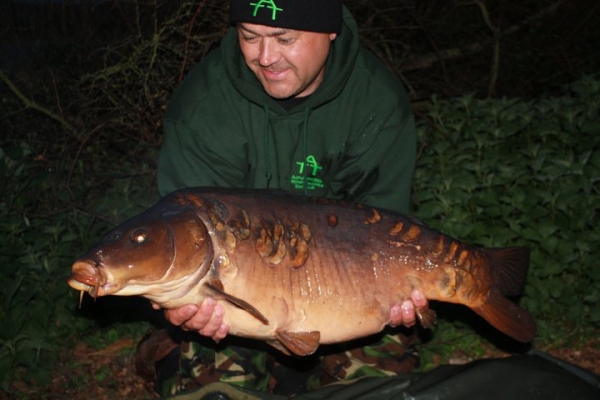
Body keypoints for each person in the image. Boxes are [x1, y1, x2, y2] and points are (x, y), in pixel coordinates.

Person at [138, 0, 430, 396]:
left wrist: (398, 290)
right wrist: (183, 309)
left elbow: (386, 225)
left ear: (330, 31)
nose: (265, 57)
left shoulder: (376, 101)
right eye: (249, 37)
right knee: (216, 383)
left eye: (284, 38)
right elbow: (179, 233)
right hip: (241, 296)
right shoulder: (204, 106)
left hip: (339, 286)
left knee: (374, 385)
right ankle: (173, 350)